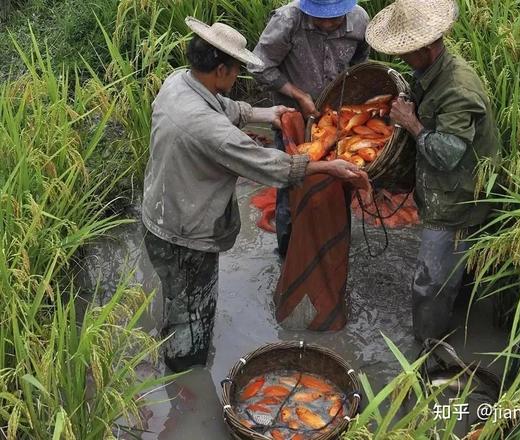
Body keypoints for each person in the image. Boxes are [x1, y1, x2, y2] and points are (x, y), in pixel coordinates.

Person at [142, 17, 367, 372]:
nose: (236, 80)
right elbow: (270, 167)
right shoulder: (211, 131)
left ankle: (180, 359)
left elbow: (226, 108)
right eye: (235, 72)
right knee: (192, 314)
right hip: (185, 234)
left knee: (178, 301)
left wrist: (268, 114)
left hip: (159, 212)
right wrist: (328, 168)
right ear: (220, 70)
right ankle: (187, 380)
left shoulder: (178, 84)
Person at [365, 0, 500, 341]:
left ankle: (427, 352)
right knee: (456, 271)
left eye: (407, 53)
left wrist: (411, 123)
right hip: (442, 189)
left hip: (457, 199)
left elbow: (447, 155)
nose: (402, 60)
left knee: (430, 283)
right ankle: (453, 317)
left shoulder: (457, 88)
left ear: (426, 48)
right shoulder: (429, 72)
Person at [248, 0, 370, 257]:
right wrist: (298, 94)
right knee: (291, 183)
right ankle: (289, 250)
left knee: (341, 179)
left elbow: (360, 62)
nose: (326, 23)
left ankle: (334, 244)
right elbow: (258, 65)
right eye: (319, 17)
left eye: (334, 18)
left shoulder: (359, 20)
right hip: (292, 117)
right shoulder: (287, 20)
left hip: (336, 117)